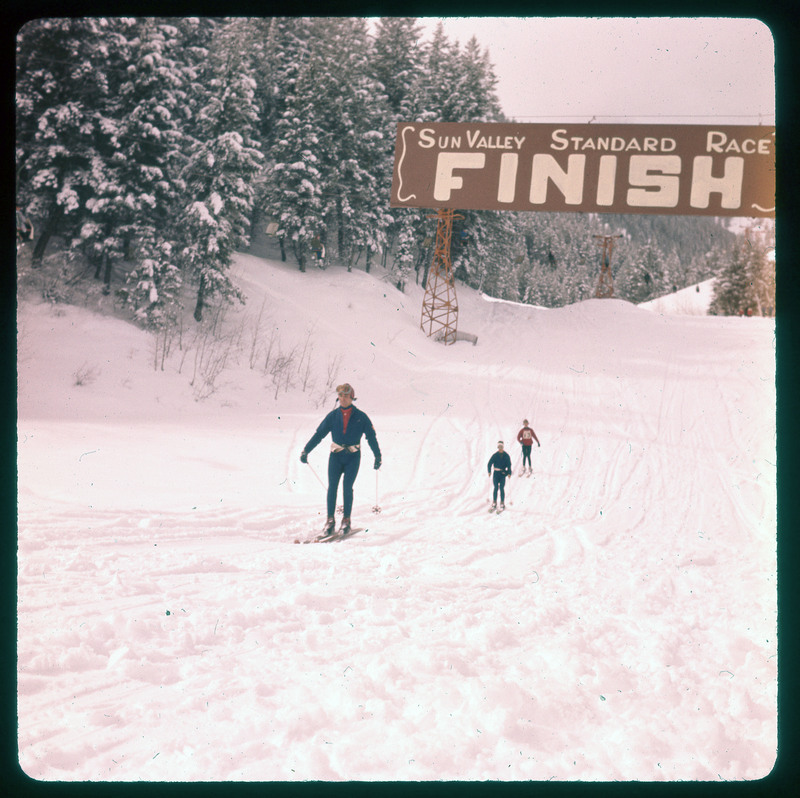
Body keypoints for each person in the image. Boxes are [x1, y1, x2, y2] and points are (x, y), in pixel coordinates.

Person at [300, 383, 381, 536]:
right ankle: (330, 521)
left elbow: (371, 437)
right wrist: (306, 450)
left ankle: (346, 521)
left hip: (353, 457)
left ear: (352, 397)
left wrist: (377, 456)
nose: (343, 399)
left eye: (346, 396)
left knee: (347, 487)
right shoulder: (332, 416)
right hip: (336, 456)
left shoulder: (361, 417)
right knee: (332, 487)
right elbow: (319, 434)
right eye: (340, 396)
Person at [487, 441, 512, 512]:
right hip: (496, 473)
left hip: (502, 474)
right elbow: (489, 463)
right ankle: (494, 502)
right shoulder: (495, 455)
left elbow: (509, 465)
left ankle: (502, 503)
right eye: (499, 447)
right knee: (495, 488)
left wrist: (509, 473)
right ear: (498, 447)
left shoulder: (506, 455)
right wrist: (489, 471)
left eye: (501, 447)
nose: (500, 449)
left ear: (503, 447)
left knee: (501, 488)